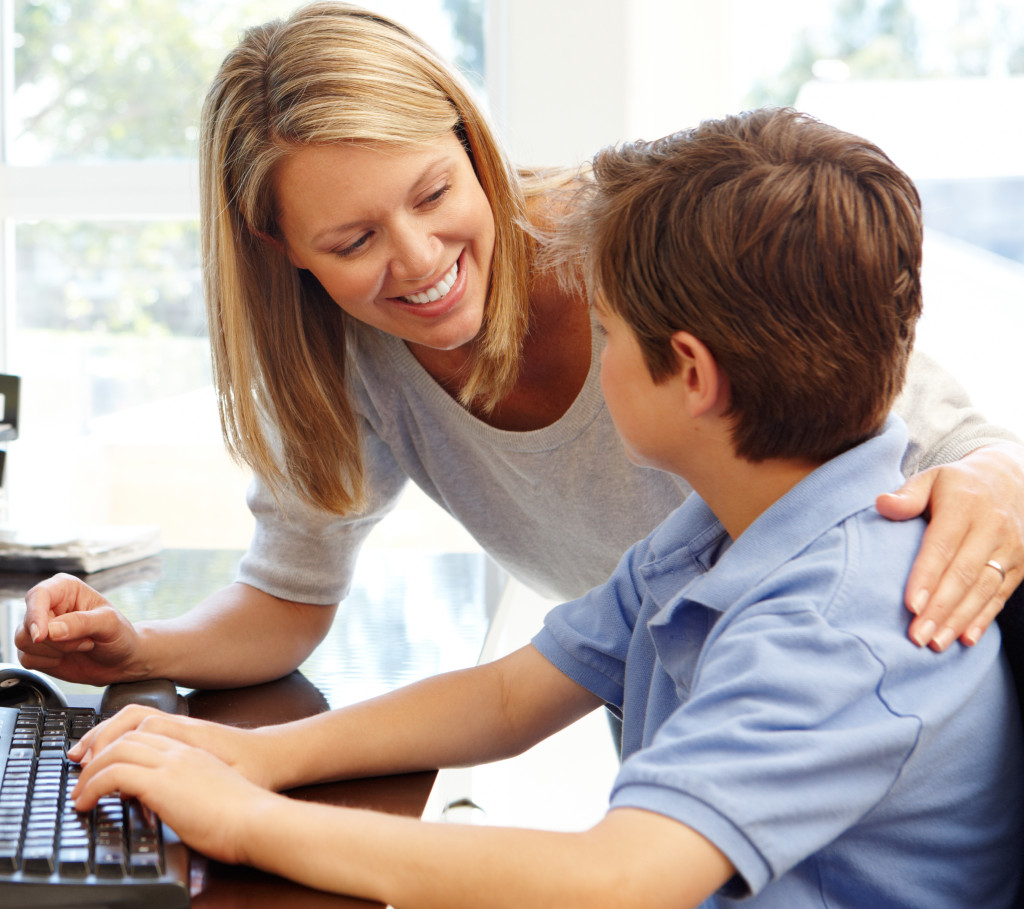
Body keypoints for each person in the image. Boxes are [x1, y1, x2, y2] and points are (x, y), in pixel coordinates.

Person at [69, 108, 1023, 907]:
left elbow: (615, 877)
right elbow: (511, 695)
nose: (586, 356)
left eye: (603, 329)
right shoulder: (715, 528)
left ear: (689, 373)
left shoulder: (836, 625)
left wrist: (249, 823)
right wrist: (254, 758)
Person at [15, 1, 1024, 691]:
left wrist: (995, 478)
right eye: (353, 241)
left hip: (861, 687)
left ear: (469, 141)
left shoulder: (633, 240)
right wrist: (138, 648)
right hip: (688, 706)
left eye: (434, 194)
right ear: (282, 252)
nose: (419, 263)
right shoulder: (343, 364)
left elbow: (957, 441)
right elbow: (290, 599)